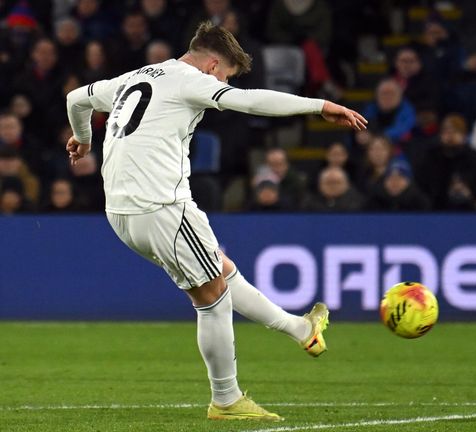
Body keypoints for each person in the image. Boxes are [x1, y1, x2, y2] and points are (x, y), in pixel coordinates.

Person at [65, 21, 367, 422]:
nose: (223, 82)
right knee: (212, 297)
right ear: (212, 65)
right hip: (160, 206)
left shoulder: (135, 77)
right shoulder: (192, 80)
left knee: (219, 270)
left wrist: (83, 138)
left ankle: (301, 329)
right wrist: (319, 106)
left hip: (121, 210)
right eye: (224, 75)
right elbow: (252, 102)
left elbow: (75, 99)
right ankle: (226, 399)